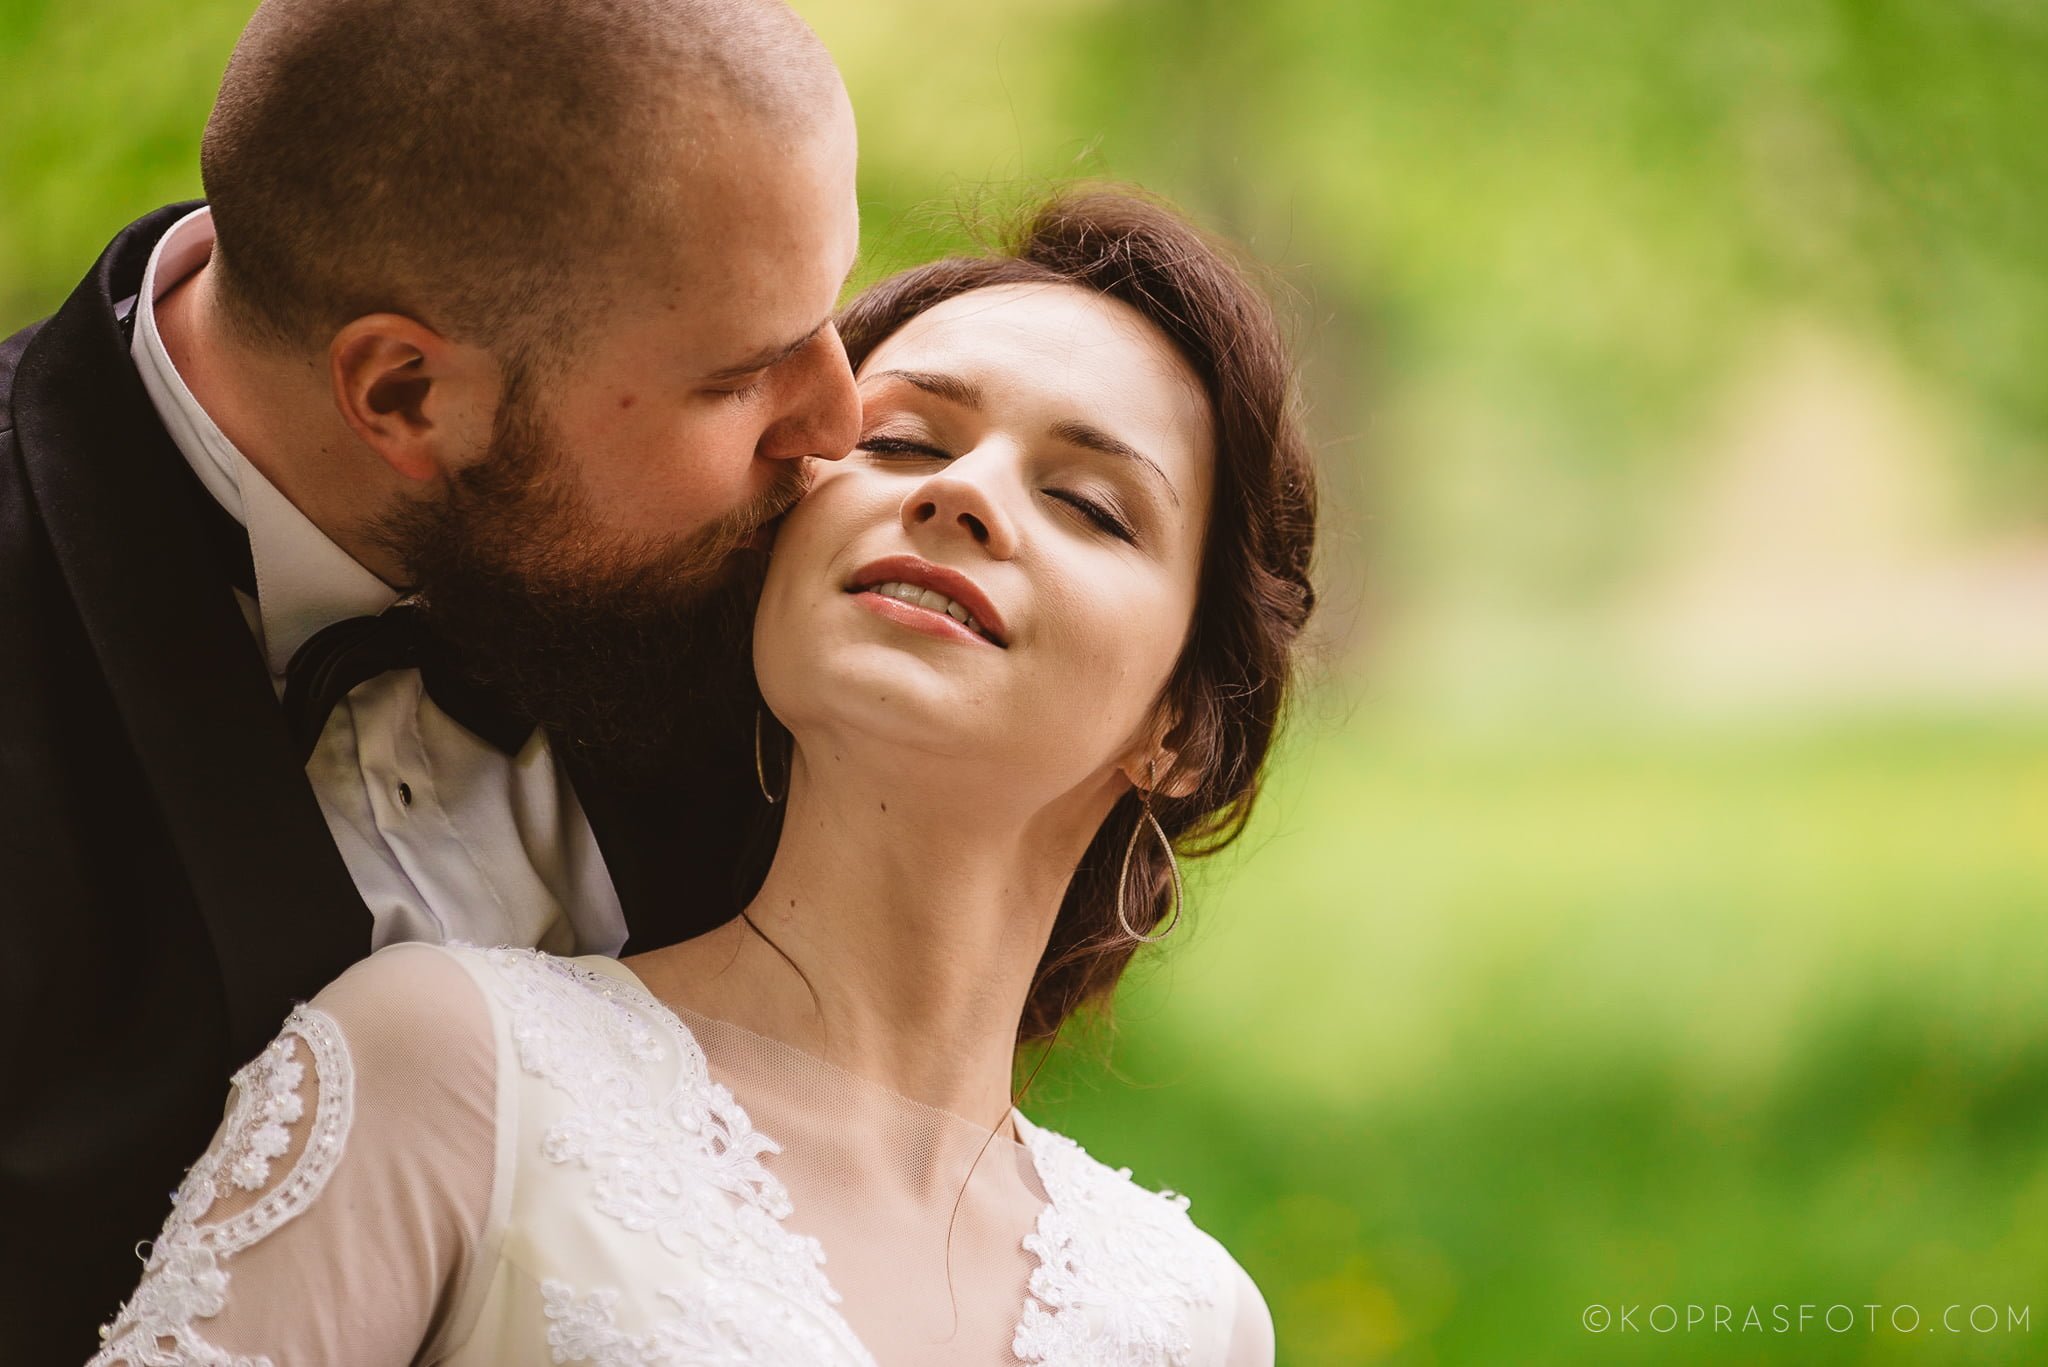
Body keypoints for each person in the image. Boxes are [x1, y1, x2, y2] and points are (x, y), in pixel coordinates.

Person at [87, 188, 1317, 1365]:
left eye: (1090, 504)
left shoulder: (1188, 1316)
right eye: (897, 441)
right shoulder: (454, 1069)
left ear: (1183, 728)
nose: (959, 494)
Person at [0, 0, 861, 1354]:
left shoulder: (775, 597)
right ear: (404, 393)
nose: (841, 421)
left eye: (832, 316)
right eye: (743, 375)